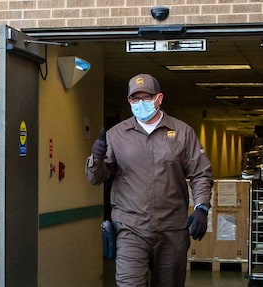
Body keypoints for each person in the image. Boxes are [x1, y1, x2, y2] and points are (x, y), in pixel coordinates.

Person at [85, 73, 213, 287]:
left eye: (146, 97)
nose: (140, 103)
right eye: (135, 99)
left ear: (159, 98)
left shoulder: (182, 133)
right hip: (131, 229)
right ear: (129, 101)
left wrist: (201, 207)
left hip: (172, 229)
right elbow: (96, 179)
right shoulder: (116, 135)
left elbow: (200, 172)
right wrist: (96, 159)